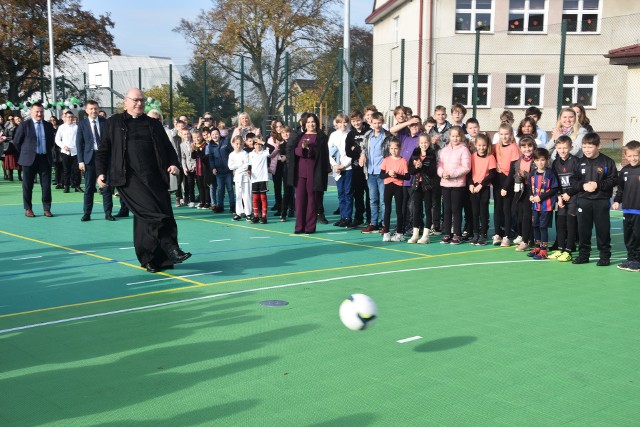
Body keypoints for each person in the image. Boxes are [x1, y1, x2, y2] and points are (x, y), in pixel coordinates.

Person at [96, 88, 191, 273]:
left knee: (152, 216)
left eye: (141, 101)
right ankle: (171, 248)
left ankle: (153, 259)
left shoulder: (153, 124)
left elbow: (167, 147)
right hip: (128, 178)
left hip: (155, 177)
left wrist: (173, 163)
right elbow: (103, 150)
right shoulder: (114, 123)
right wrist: (100, 172)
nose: (139, 104)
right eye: (135, 100)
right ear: (126, 101)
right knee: (153, 214)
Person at [571, 132, 618, 266]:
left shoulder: (607, 161)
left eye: (590, 147)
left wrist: (598, 185)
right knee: (583, 229)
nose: (586, 150)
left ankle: (604, 256)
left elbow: (614, 180)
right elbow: (573, 180)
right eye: (584, 147)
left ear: (599, 146)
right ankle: (583, 255)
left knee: (602, 229)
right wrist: (583, 185)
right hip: (583, 200)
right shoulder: (579, 162)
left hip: (601, 200)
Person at [287, 113, 330, 234]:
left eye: (313, 122)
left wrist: (308, 149)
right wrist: (302, 148)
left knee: (312, 200)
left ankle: (310, 227)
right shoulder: (299, 136)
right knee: (300, 200)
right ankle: (299, 227)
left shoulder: (322, 137)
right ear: (304, 124)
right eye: (308, 122)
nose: (311, 124)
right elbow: (294, 150)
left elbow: (321, 155)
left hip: (314, 172)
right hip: (300, 172)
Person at [13, 103, 55, 217]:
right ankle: (28, 209)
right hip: (28, 160)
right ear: (32, 112)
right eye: (37, 111)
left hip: (44, 159)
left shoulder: (48, 125)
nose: (39, 114)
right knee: (27, 185)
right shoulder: (24, 125)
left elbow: (51, 142)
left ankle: (47, 209)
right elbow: (16, 142)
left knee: (46, 186)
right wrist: (25, 153)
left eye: (41, 112)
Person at [77, 100, 115, 221]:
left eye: (96, 108)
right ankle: (87, 213)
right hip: (89, 158)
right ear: (87, 110)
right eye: (91, 109)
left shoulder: (106, 122)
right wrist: (80, 161)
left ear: (99, 109)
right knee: (89, 187)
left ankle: (108, 213)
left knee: (106, 186)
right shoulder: (82, 124)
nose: (94, 111)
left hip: (104, 157)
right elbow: (79, 143)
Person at [437, 126, 471, 245]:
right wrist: (442, 173)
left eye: (457, 136)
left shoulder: (464, 149)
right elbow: (439, 165)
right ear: (449, 137)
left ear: (461, 137)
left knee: (456, 210)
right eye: (453, 136)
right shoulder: (444, 150)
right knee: (446, 210)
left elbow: (466, 167)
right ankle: (447, 233)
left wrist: (452, 174)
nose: (455, 138)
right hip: (445, 184)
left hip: (458, 185)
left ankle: (457, 234)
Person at [548, 135, 580, 262]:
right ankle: (560, 249)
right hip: (562, 197)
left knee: (571, 223)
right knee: (560, 222)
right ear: (556, 148)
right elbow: (556, 183)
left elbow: (579, 182)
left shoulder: (576, 161)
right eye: (559, 148)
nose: (562, 150)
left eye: (565, 148)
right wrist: (559, 197)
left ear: (570, 147)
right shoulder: (555, 163)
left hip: (573, 196)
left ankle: (568, 250)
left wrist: (570, 193)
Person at [360, 112, 392, 233]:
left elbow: (390, 153)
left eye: (379, 122)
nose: (377, 125)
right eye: (374, 123)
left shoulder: (387, 136)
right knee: (373, 199)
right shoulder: (368, 135)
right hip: (370, 172)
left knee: (384, 200)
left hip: (382, 172)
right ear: (371, 123)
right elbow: (363, 148)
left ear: (382, 122)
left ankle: (385, 224)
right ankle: (373, 223)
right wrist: (362, 155)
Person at [526, 148, 559, 260]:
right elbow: (530, 187)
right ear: (534, 161)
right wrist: (531, 195)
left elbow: (554, 189)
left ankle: (544, 250)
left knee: (542, 227)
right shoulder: (532, 174)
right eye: (537, 160)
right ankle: (537, 247)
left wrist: (541, 197)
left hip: (546, 206)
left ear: (547, 160)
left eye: (542, 160)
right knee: (535, 226)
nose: (540, 163)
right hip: (535, 206)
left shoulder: (550, 174)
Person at [613, 140, 640, 271]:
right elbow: (621, 189)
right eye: (629, 156)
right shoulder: (624, 170)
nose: (632, 158)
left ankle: (638, 260)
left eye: (635, 155)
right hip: (627, 210)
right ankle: (631, 258)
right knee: (628, 236)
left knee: (638, 236)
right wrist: (617, 200)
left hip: (638, 211)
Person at [493, 123, 520, 246]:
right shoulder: (496, 146)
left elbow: (513, 169)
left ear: (511, 135)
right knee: (497, 208)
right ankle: (497, 233)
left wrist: (505, 187)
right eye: (502, 134)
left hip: (508, 181)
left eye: (506, 134)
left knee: (507, 209)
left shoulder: (514, 147)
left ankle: (507, 236)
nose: (504, 137)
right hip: (498, 179)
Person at [407, 133, 438, 244]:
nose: (424, 145)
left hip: (428, 186)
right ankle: (415, 234)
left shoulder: (432, 154)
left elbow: (433, 171)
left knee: (428, 209)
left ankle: (426, 235)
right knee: (416, 209)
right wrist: (416, 167)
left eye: (426, 142)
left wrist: (422, 166)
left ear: (429, 143)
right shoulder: (415, 153)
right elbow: (410, 170)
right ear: (418, 143)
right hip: (417, 185)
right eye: (421, 143)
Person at [506, 136, 535, 252]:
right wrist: (518, 177)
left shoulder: (536, 160)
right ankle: (523, 235)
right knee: (515, 212)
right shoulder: (518, 162)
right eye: (524, 146)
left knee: (527, 215)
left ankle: (526, 241)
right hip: (520, 190)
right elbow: (515, 176)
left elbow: (537, 176)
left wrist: (526, 175)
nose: (527, 149)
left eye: (529, 146)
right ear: (520, 148)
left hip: (530, 190)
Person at [468, 133, 496, 246]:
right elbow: (469, 172)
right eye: (479, 145)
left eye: (484, 145)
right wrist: (470, 184)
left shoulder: (490, 157)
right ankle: (475, 234)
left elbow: (492, 174)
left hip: (484, 188)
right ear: (475, 144)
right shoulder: (472, 156)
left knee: (483, 212)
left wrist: (482, 184)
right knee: (474, 212)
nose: (481, 148)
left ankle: (483, 234)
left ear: (487, 145)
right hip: (473, 188)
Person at [380, 138, 410, 242]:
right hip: (388, 185)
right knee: (387, 209)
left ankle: (399, 233)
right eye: (392, 148)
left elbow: (407, 177)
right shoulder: (386, 160)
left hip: (398, 187)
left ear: (400, 149)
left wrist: (397, 175)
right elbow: (381, 175)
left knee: (399, 211)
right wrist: (388, 174)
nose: (394, 150)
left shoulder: (403, 161)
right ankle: (386, 232)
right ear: (389, 149)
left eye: (396, 148)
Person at [345, 110, 371, 227]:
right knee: (358, 194)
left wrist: (356, 149)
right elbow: (348, 152)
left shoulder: (370, 131)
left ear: (362, 119)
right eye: (353, 121)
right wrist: (357, 152)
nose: (356, 123)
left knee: (370, 194)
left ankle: (371, 218)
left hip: (369, 167)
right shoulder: (350, 134)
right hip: (356, 168)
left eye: (358, 120)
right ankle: (359, 217)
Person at [328, 114, 354, 228]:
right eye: (340, 122)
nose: (343, 124)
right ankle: (343, 217)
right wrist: (335, 165)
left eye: (345, 122)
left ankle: (348, 217)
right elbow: (329, 152)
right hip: (337, 169)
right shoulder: (333, 135)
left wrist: (343, 165)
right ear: (336, 124)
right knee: (341, 193)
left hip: (348, 168)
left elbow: (353, 153)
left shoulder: (351, 134)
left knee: (348, 193)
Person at [55, 110, 81, 193]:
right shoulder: (61, 127)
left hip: (75, 151)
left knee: (77, 170)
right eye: (68, 117)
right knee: (66, 170)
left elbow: (80, 139)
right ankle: (66, 186)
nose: (70, 118)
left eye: (71, 117)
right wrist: (63, 146)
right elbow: (57, 139)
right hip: (65, 152)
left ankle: (77, 186)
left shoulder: (76, 127)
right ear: (65, 118)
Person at [209, 127, 234, 213]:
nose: (215, 136)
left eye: (216, 134)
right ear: (211, 136)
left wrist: (233, 167)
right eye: (213, 135)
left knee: (230, 189)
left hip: (228, 171)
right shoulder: (210, 145)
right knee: (220, 189)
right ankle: (220, 206)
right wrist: (213, 168)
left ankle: (232, 206)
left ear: (219, 134)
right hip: (219, 172)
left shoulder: (226, 142)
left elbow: (232, 153)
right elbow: (211, 158)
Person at [228, 135, 252, 221]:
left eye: (240, 144)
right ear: (233, 144)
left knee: (246, 195)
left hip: (245, 177)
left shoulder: (245, 153)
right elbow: (230, 166)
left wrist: (239, 167)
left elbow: (246, 165)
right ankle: (238, 213)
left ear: (242, 144)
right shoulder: (231, 155)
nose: (238, 145)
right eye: (236, 143)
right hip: (237, 177)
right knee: (238, 195)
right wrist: (239, 164)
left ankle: (248, 213)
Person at [248, 137, 270, 224]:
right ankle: (256, 216)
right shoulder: (250, 154)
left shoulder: (264, 153)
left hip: (263, 179)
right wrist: (249, 171)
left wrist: (262, 141)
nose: (258, 146)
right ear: (253, 145)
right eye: (256, 144)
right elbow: (249, 165)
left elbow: (271, 148)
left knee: (263, 198)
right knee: (255, 198)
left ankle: (264, 217)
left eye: (259, 144)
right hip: (254, 179)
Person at [267, 119, 285, 213]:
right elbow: (270, 155)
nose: (279, 128)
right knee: (277, 187)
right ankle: (279, 206)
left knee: (287, 187)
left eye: (280, 126)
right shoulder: (270, 139)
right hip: (276, 165)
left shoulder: (286, 136)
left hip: (285, 164)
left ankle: (289, 207)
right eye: (277, 126)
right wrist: (277, 148)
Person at [278, 126, 295, 222]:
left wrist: (287, 157)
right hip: (287, 170)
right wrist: (287, 157)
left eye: (287, 132)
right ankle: (283, 213)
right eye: (283, 133)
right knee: (287, 191)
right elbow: (282, 157)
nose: (285, 134)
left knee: (294, 191)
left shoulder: (294, 143)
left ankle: (292, 209)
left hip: (295, 169)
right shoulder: (282, 145)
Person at [181, 130, 197, 207]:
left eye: (188, 134)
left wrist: (195, 165)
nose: (186, 136)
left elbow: (197, 156)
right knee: (190, 184)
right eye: (185, 134)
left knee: (200, 184)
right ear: (182, 136)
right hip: (188, 167)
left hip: (196, 166)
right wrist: (184, 168)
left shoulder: (194, 142)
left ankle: (203, 200)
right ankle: (192, 200)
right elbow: (183, 157)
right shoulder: (182, 145)